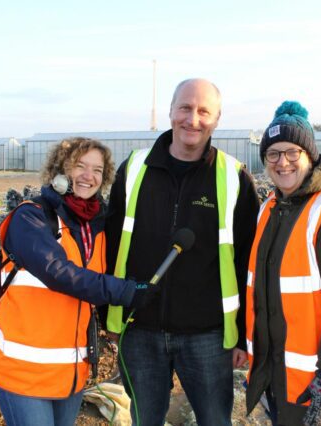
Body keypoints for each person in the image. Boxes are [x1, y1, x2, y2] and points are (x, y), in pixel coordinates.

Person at [104, 78, 260, 425]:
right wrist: (109, 316)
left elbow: (248, 263)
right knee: (147, 420)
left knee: (215, 421)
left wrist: (245, 335)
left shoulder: (235, 178)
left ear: (217, 119)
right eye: (185, 108)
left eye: (204, 111)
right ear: (170, 112)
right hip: (139, 329)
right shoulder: (133, 169)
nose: (193, 119)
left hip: (208, 336)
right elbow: (111, 242)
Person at [0, 137, 158, 426]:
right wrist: (126, 291)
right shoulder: (32, 217)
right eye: (80, 166)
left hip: (70, 373)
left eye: (98, 170)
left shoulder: (94, 227)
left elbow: (102, 280)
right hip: (23, 373)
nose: (89, 176)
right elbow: (58, 272)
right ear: (60, 169)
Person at [245, 101, 321, 426]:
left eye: (292, 152)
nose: (282, 162)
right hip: (282, 383)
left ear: (309, 155)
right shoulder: (271, 207)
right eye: (273, 153)